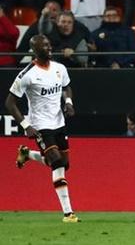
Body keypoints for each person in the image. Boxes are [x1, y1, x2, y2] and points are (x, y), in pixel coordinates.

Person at [5, 34, 80, 223]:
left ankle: (28, 154)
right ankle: (68, 213)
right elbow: (10, 102)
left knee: (64, 163)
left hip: (59, 123)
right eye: (44, 46)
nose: (49, 48)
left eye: (49, 44)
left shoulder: (59, 68)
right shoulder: (27, 74)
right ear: (35, 50)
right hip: (40, 126)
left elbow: (67, 87)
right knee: (57, 163)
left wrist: (69, 102)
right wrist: (26, 125)